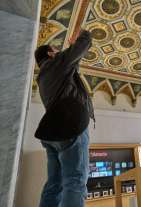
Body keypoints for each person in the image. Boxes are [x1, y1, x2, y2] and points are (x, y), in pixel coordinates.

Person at [34, 29, 94, 207]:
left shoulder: (45, 74)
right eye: (56, 50)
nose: (59, 52)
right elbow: (83, 44)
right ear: (51, 53)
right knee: (75, 181)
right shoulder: (56, 65)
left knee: (55, 184)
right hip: (70, 127)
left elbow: (72, 66)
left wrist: (70, 50)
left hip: (51, 134)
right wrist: (83, 34)